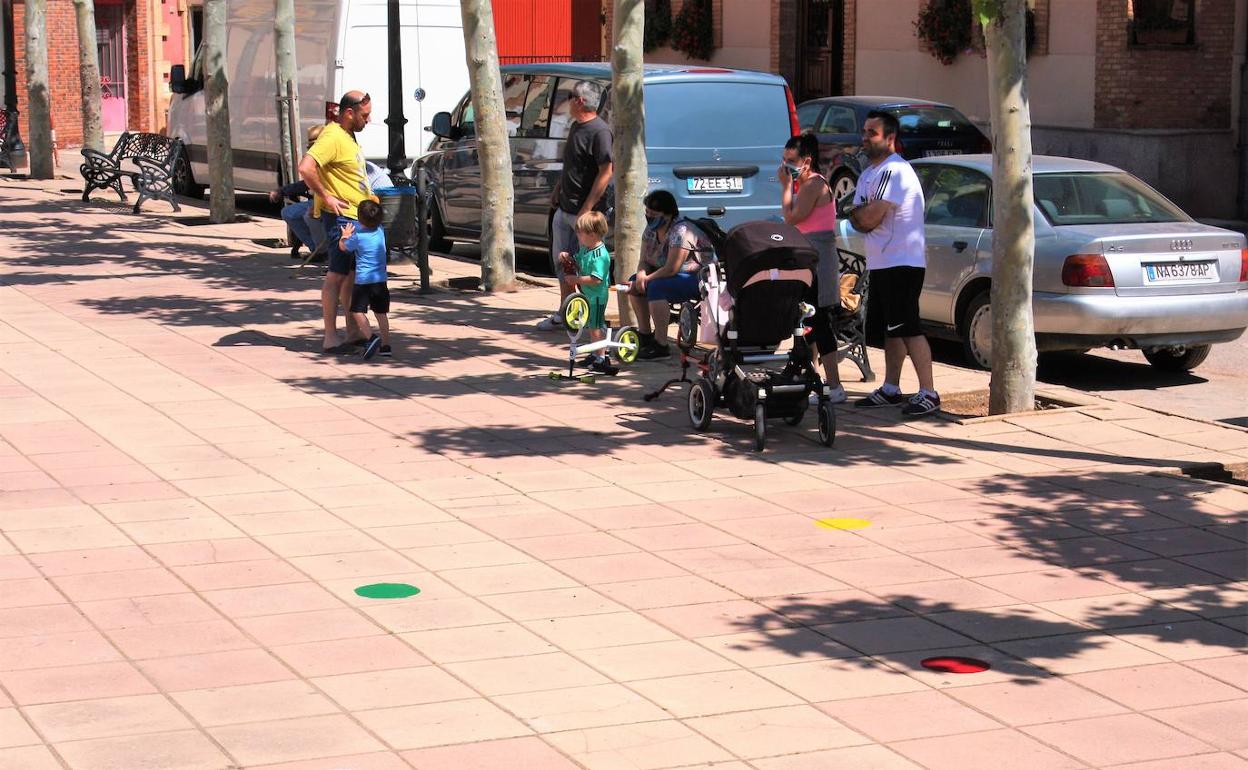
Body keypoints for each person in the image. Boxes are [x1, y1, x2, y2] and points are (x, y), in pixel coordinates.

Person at [847, 110, 939, 417]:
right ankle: (891, 388)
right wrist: (862, 215)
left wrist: (863, 215)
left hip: (903, 262)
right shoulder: (867, 174)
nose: (865, 137)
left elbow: (869, 218)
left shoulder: (895, 171)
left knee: (909, 326)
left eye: (872, 132)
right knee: (892, 329)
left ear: (890, 139)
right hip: (882, 262)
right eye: (864, 131)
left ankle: (928, 391)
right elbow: (857, 217)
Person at [298, 90, 375, 353]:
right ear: (349, 113)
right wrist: (326, 197)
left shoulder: (347, 136)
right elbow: (306, 167)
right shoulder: (332, 136)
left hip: (355, 216)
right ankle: (330, 337)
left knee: (350, 276)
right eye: (365, 115)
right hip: (342, 218)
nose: (369, 119)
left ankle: (353, 332)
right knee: (336, 276)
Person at [538, 80, 614, 331]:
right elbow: (571, 164)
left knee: (587, 268)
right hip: (565, 207)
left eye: (570, 96)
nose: (568, 101)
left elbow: (606, 171)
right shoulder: (575, 127)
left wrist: (588, 209)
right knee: (563, 263)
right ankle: (566, 313)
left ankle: (591, 317)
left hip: (584, 215)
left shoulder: (599, 131)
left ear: (580, 101)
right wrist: (558, 189)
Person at [779, 132, 846, 404]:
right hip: (808, 258)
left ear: (806, 161)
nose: (785, 166)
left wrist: (784, 186)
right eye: (783, 160)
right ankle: (812, 377)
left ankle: (835, 385)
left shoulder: (813, 185)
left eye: (790, 161)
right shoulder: (804, 183)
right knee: (807, 321)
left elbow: (792, 218)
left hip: (818, 261)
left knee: (819, 323)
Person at [627, 190, 711, 359]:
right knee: (634, 282)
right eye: (647, 213)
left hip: (698, 278)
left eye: (654, 214)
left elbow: (672, 268)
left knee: (656, 287)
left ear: (667, 214)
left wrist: (647, 280)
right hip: (670, 276)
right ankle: (645, 334)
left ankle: (661, 344)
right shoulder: (650, 230)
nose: (649, 217)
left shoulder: (680, 231)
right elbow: (644, 260)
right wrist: (641, 275)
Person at [559, 211, 614, 374]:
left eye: (580, 232)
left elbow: (596, 279)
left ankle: (602, 358)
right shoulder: (585, 249)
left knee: (595, 326)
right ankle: (595, 353)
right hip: (587, 295)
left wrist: (576, 280)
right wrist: (567, 258)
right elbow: (578, 260)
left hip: (597, 296)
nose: (578, 235)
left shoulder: (600, 255)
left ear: (592, 234)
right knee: (591, 325)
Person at [339, 199, 391, 360]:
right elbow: (371, 221)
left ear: (359, 219)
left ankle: (370, 337)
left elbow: (344, 248)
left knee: (357, 310)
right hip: (380, 280)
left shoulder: (358, 237)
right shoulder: (381, 230)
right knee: (381, 313)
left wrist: (344, 236)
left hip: (363, 281)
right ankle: (386, 346)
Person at [270, 125, 326, 259]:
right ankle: (315, 248)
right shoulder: (315, 159)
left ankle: (322, 250)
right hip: (320, 199)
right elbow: (306, 183)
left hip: (333, 200)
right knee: (289, 213)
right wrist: (282, 191)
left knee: (310, 215)